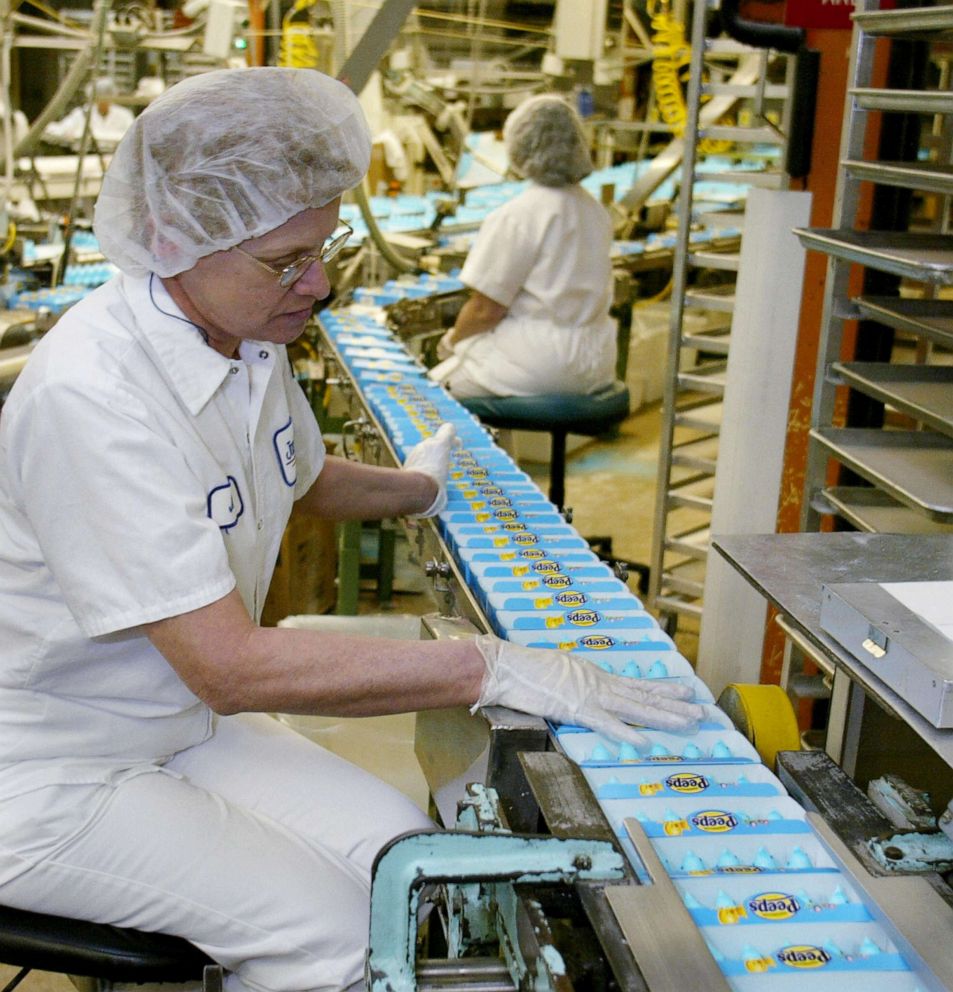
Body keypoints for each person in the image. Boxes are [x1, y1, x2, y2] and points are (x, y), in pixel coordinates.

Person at [0, 68, 703, 992]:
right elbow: (230, 664)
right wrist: (487, 665)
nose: (320, 283)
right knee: (341, 937)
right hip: (51, 770)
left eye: (323, 247)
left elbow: (295, 474)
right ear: (174, 239)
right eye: (286, 261)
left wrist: (420, 490)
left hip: (180, 727)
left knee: (418, 870)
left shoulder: (241, 340)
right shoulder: (95, 395)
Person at [428, 94, 617, 400]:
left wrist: (450, 343)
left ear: (521, 147)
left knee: (427, 395)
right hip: (596, 362)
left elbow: (484, 310)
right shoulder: (595, 210)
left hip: (539, 366)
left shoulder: (519, 214)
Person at [43, 76, 135, 150]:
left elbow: (135, 137)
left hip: (115, 158)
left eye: (107, 97)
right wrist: (44, 128)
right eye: (100, 98)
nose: (103, 102)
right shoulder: (81, 114)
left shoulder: (124, 115)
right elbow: (60, 130)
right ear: (93, 98)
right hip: (84, 156)